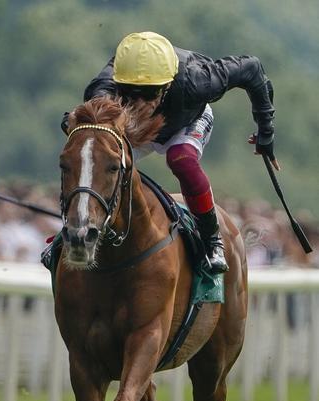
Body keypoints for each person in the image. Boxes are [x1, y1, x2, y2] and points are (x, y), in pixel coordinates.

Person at [66, 31, 277, 274]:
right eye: (130, 92)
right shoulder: (104, 91)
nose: (139, 102)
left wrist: (266, 132)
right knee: (98, 157)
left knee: (181, 159)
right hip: (129, 126)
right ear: (118, 83)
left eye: (149, 93)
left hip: (186, 121)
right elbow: (81, 129)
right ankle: (74, 229)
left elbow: (252, 69)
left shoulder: (199, 80)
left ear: (167, 85)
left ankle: (212, 240)